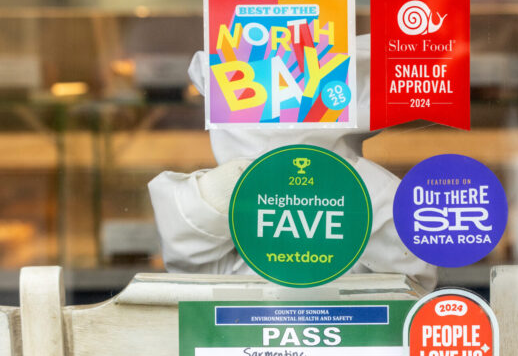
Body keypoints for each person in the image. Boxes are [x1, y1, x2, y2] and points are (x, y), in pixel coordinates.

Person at [147, 34, 437, 290]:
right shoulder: (227, 205)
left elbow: (412, 280)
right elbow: (190, 272)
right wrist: (221, 191)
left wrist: (347, 187)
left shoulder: (370, 201)